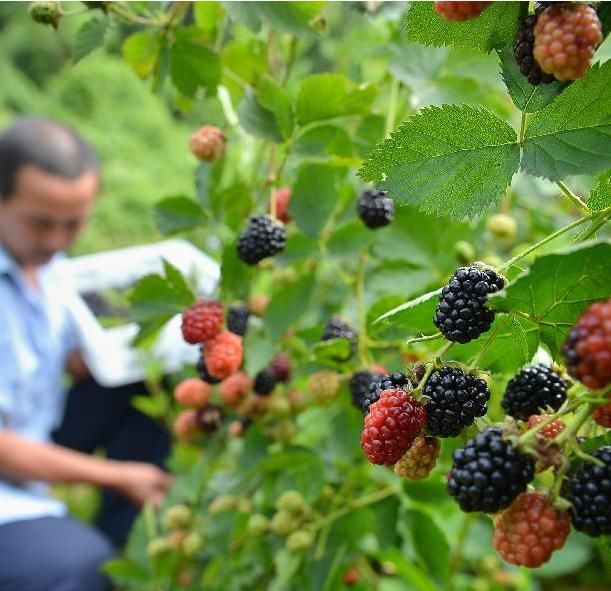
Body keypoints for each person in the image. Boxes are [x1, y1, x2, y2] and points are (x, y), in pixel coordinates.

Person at [0, 117, 172, 591]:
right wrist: (116, 475)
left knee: (151, 386)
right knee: (79, 568)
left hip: (32, 425)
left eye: (73, 224)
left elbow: (57, 358)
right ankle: (73, 560)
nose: (56, 241)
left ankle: (112, 541)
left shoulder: (45, 265)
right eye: (40, 223)